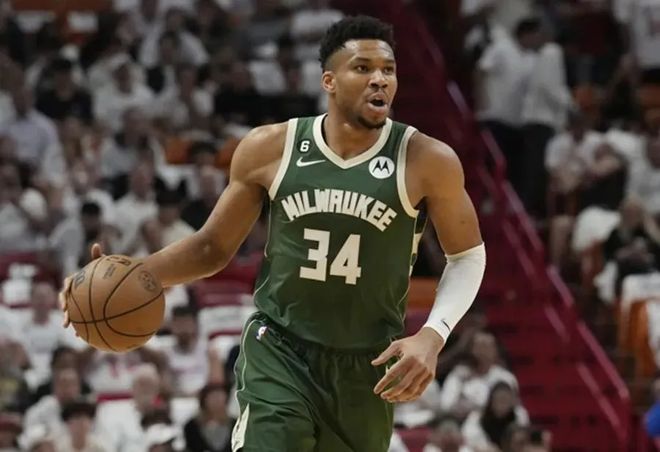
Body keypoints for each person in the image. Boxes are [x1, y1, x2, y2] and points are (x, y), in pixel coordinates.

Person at [61, 15, 485, 452]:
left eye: (388, 70)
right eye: (363, 68)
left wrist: (433, 334)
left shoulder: (427, 159)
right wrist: (135, 274)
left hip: (366, 363)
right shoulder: (272, 147)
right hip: (281, 347)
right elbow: (212, 246)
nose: (380, 79)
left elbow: (467, 255)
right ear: (329, 81)